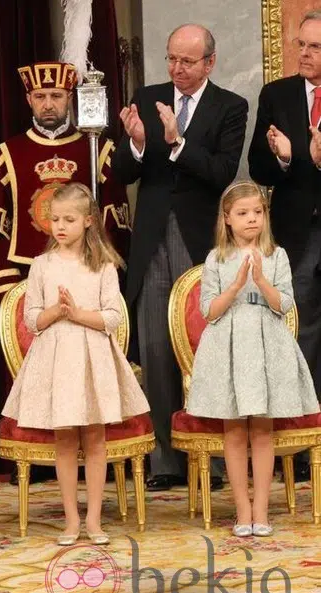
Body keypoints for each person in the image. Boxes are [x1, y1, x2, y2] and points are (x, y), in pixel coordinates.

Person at [0, 61, 132, 486]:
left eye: (57, 96)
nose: (48, 104)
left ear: (70, 99)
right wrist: (2, 284)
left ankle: (98, 461)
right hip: (30, 273)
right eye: (40, 97)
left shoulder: (97, 149)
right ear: (29, 100)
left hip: (88, 272)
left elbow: (115, 218)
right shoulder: (7, 154)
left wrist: (109, 271)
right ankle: (32, 460)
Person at [114, 23, 248, 492]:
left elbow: (221, 172)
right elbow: (123, 171)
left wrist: (177, 142)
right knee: (154, 346)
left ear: (209, 63)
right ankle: (165, 462)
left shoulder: (230, 106)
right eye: (172, 58)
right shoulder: (148, 97)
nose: (177, 68)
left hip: (201, 239)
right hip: (152, 236)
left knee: (206, 347)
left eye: (187, 61)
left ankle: (212, 460)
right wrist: (137, 142)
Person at [1, 183, 149, 545]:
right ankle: (71, 520)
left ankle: (94, 519)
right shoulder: (42, 266)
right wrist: (56, 311)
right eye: (55, 220)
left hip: (92, 358)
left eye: (68, 219)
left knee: (95, 439)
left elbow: (113, 317)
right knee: (65, 440)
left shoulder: (103, 265)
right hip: (56, 360)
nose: (60, 226)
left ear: (88, 221)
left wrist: (78, 313)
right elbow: (32, 320)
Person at [185, 181, 319, 536]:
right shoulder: (216, 258)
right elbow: (209, 311)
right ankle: (242, 508)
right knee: (234, 431)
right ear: (227, 218)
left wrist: (260, 280)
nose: (252, 219)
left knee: (261, 430)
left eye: (258, 212)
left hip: (265, 347)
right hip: (228, 346)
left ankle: (261, 508)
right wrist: (235, 286)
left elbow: (284, 304)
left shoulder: (277, 255)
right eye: (243, 213)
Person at [248, 9, 321, 482]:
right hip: (297, 233)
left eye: (315, 47)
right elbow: (257, 166)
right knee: (300, 333)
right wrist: (286, 159)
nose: (304, 53)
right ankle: (300, 448)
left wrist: (310, 160)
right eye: (301, 44)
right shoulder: (277, 95)